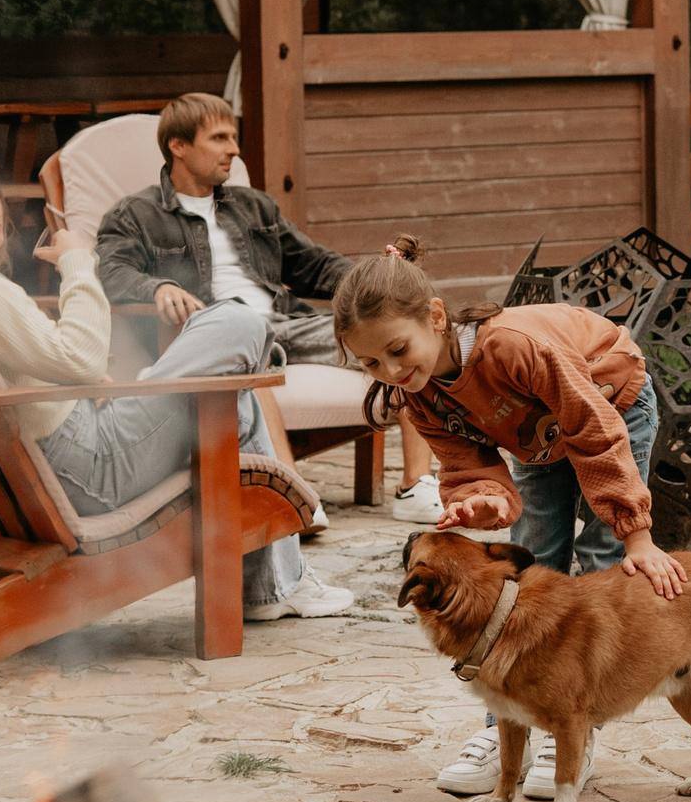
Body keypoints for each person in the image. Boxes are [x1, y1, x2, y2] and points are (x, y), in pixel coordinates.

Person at [0, 138, 351, 620]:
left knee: (227, 386)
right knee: (236, 323)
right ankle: (273, 586)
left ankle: (273, 586)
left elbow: (41, 367)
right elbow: (82, 359)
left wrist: (74, 385)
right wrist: (77, 261)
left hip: (36, 465)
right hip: (89, 468)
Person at [332, 236, 686, 800]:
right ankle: (507, 724)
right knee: (532, 568)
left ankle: (574, 727)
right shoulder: (420, 395)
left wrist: (636, 536)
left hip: (609, 402)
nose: (391, 370)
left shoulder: (512, 348)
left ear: (436, 317)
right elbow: (467, 464)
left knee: (600, 558)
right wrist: (486, 497)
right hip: (536, 438)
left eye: (398, 350)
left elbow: (593, 431)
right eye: (372, 363)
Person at [94, 93, 442, 524]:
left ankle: (415, 485)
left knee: (400, 339)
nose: (234, 149)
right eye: (219, 138)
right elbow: (109, 270)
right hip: (224, 335)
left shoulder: (254, 206)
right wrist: (157, 286)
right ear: (178, 146)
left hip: (288, 322)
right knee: (243, 351)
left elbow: (314, 265)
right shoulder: (135, 214)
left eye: (233, 137)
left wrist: (378, 276)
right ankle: (293, 500)